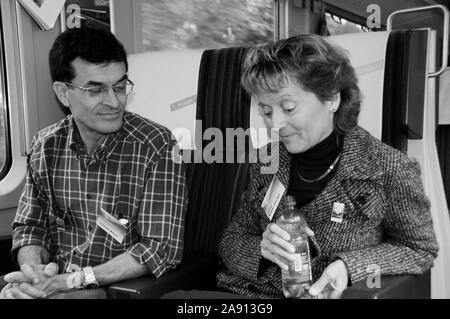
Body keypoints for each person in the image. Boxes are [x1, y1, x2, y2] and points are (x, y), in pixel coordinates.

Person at [215, 34, 439, 299]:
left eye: (288, 108)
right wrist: (262, 251)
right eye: (266, 111)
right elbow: (231, 240)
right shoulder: (267, 161)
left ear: (332, 99)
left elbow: (419, 249)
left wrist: (350, 267)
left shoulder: (388, 168)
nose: (274, 124)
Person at [0, 27, 187, 299]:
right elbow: (31, 227)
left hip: (105, 286)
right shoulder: (45, 145)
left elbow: (159, 248)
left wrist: (74, 282)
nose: (114, 102)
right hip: (57, 278)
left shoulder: (156, 145)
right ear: (63, 93)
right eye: (96, 89)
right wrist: (34, 275)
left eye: (120, 87)